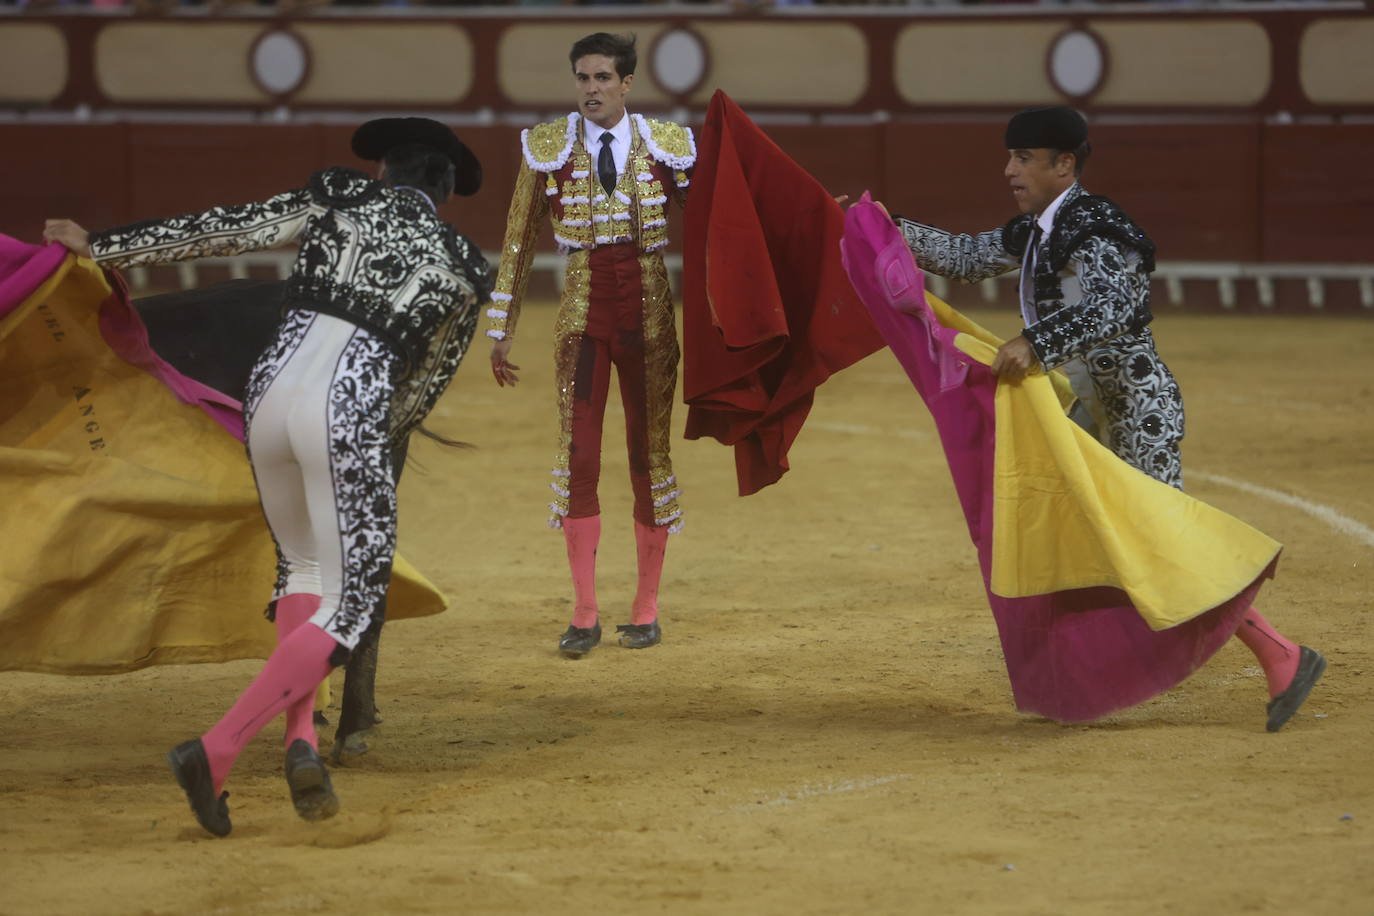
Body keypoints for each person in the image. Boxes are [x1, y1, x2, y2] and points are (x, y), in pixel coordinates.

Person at [43, 117, 490, 835]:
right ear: (446, 195)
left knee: (300, 568)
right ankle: (215, 750)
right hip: (347, 409)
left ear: (382, 173)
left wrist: (100, 245)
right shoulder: (467, 264)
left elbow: (225, 230)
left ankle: (301, 740)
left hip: (271, 394)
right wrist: (368, 444)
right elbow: (419, 390)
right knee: (352, 603)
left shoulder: (338, 196)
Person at [886, 106, 1325, 731]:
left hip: (1134, 410)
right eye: (1011, 157)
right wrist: (877, 226)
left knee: (1156, 548)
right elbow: (964, 255)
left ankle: (1283, 653)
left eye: (1024, 159)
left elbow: (1114, 307)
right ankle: (1088, 673)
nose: (1009, 169)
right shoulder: (1039, 228)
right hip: (1090, 415)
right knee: (1093, 542)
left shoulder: (1097, 226)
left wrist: (1035, 343)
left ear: (1064, 164)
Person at [487, 32, 693, 657]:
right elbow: (518, 236)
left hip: (649, 313)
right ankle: (584, 611)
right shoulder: (547, 147)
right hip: (580, 315)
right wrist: (501, 326)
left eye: (603, 77)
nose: (591, 89)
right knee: (579, 454)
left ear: (626, 84)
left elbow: (719, 220)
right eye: (583, 77)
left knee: (647, 455)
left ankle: (647, 607)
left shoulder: (668, 143)